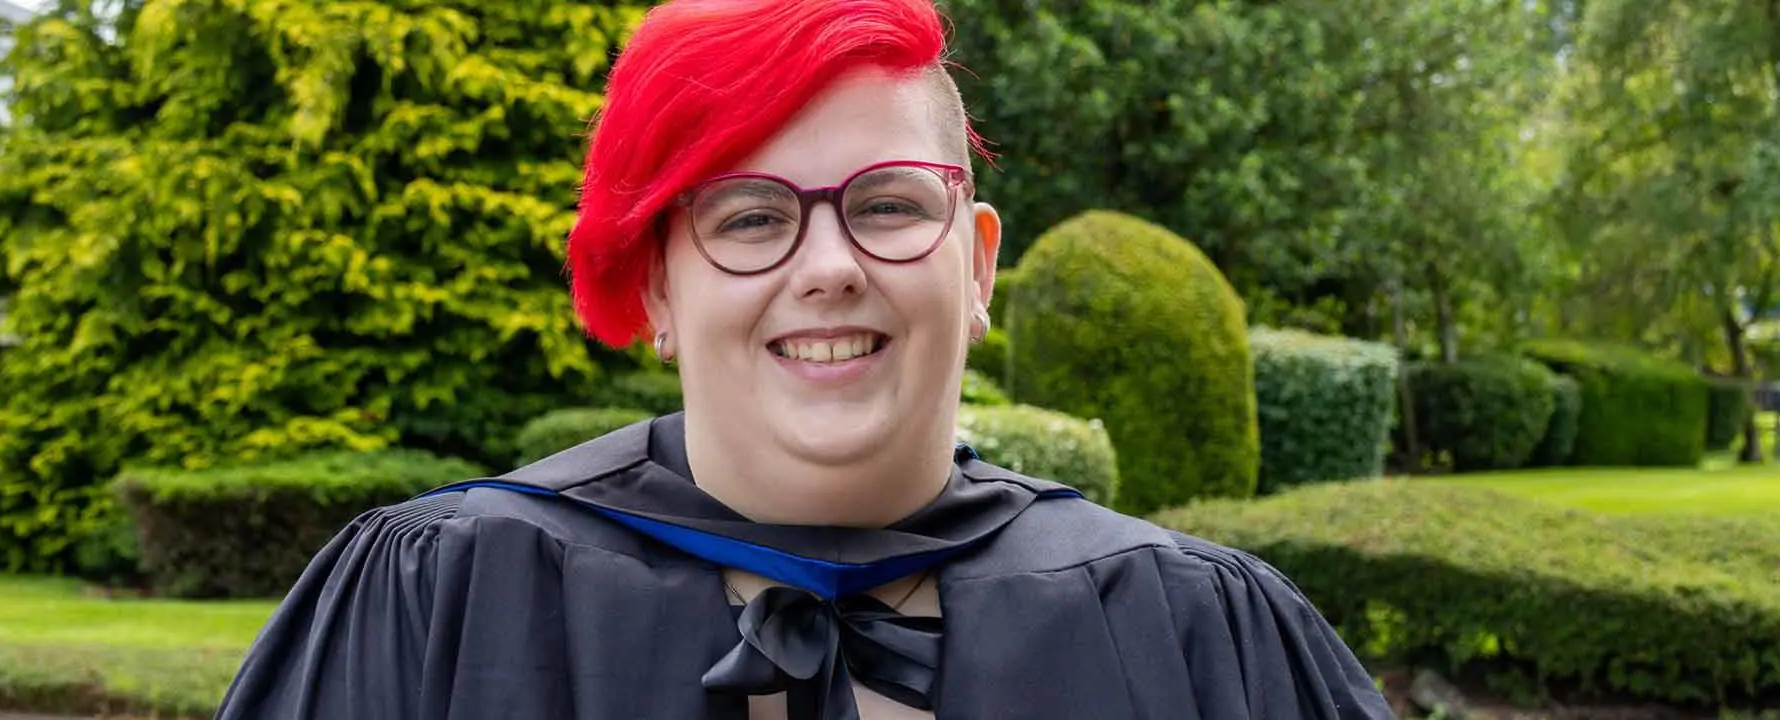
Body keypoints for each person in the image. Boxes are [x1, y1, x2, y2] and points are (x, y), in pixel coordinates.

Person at [214, 0, 1397, 717]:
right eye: (749, 217)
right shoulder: (442, 598)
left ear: (978, 267)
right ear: (659, 288)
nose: (828, 265)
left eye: (887, 205)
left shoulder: (1195, 632)